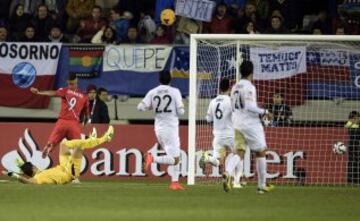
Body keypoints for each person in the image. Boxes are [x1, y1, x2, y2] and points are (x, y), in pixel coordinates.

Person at [2, 126, 114, 184]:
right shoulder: (39, 178)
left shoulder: (39, 173)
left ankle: (91, 140)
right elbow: (29, 182)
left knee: (64, 144)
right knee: (79, 147)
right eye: (33, 165)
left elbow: (27, 174)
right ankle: (104, 139)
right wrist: (16, 176)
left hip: (63, 166)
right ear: (33, 168)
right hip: (69, 174)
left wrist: (20, 167)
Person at [30, 73, 88, 180]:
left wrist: (39, 92)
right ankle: (75, 177)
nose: (71, 85)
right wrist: (84, 122)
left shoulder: (65, 90)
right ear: (77, 81)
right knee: (77, 149)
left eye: (71, 84)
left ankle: (50, 145)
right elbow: (86, 113)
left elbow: (52, 93)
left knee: (53, 140)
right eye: (71, 84)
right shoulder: (84, 95)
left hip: (62, 122)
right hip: (74, 124)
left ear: (69, 82)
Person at [230, 60, 274, 194]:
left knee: (240, 152)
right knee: (261, 151)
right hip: (250, 123)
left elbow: (233, 106)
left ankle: (228, 172)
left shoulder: (234, 87)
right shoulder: (249, 87)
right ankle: (261, 186)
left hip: (237, 122)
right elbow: (250, 107)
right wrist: (265, 112)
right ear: (251, 72)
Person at [138, 70, 185, 191]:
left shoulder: (152, 92)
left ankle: (174, 183)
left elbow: (140, 107)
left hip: (159, 128)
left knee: (176, 157)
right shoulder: (175, 91)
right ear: (170, 79)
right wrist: (179, 107)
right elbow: (181, 112)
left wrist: (151, 106)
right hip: (170, 128)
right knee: (174, 159)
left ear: (159, 80)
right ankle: (151, 158)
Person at [199, 78, 244, 191]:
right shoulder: (230, 100)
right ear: (229, 88)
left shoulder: (213, 102)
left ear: (219, 88)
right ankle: (235, 181)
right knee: (239, 154)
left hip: (218, 136)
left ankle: (207, 158)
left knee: (218, 161)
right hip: (230, 135)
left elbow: (208, 119)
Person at [345, 111, 360, 184]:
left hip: (355, 148)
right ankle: (351, 181)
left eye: (358, 117)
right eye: (356, 118)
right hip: (353, 149)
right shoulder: (351, 126)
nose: (358, 119)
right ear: (351, 119)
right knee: (353, 164)